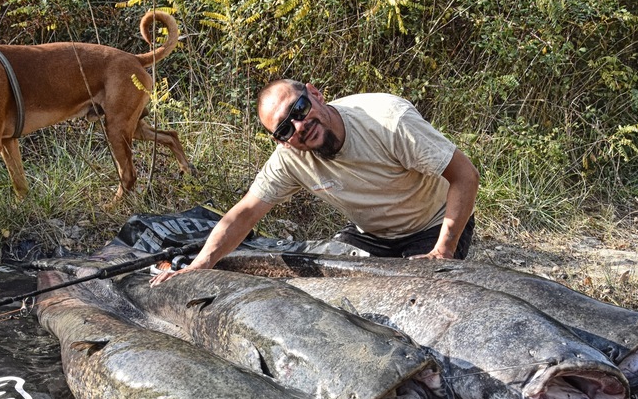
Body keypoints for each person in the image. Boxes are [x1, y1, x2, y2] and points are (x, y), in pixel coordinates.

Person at [151, 79, 479, 285]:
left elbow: (465, 176)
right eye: (284, 129)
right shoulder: (290, 158)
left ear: (316, 94)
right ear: (280, 141)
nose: (299, 126)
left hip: (433, 226)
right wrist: (201, 264)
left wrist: (444, 249)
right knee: (323, 287)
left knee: (418, 295)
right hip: (373, 236)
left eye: (300, 109)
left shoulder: (388, 120)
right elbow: (245, 213)